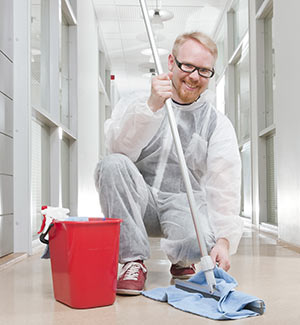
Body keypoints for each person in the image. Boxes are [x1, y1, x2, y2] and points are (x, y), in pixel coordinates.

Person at [94, 32, 243, 296]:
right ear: (172, 63)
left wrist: (224, 240)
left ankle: (184, 260)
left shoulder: (217, 124)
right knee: (111, 164)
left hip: (183, 203)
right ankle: (133, 261)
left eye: (204, 70)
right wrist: (151, 107)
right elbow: (119, 148)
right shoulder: (139, 103)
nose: (194, 77)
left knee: (199, 243)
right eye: (188, 66)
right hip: (141, 201)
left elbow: (225, 185)